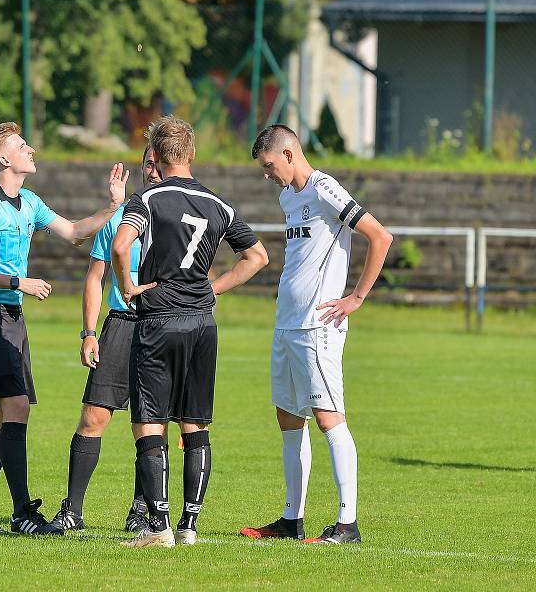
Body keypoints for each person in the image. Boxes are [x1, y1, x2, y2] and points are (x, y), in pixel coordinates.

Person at [0, 122, 128, 536]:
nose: (30, 148)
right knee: (14, 410)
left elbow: (72, 233)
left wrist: (112, 206)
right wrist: (20, 282)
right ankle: (21, 513)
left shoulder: (29, 201)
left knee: (3, 418)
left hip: (11, 318)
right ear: (5, 160)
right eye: (21, 145)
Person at [112, 116, 269, 548]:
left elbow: (121, 245)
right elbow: (257, 257)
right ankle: (189, 526)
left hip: (158, 320)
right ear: (191, 154)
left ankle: (158, 528)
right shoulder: (220, 205)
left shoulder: (146, 199)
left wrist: (127, 285)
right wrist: (211, 289)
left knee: (149, 423)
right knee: (195, 422)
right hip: (202, 323)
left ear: (158, 157)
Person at [239, 125, 393, 544]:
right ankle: (292, 519)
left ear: (289, 155)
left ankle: (348, 525)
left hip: (317, 326)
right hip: (286, 323)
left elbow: (380, 236)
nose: (266, 174)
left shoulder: (325, 188)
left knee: (329, 418)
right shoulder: (288, 196)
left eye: (269, 166)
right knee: (289, 419)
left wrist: (356, 297)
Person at [50, 147, 161, 533]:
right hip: (120, 326)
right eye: (148, 162)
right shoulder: (122, 217)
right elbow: (95, 278)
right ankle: (72, 510)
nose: (154, 170)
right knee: (93, 416)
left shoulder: (182, 214)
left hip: (162, 327)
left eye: (160, 162)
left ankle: (141, 512)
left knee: (150, 425)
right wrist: (89, 332)